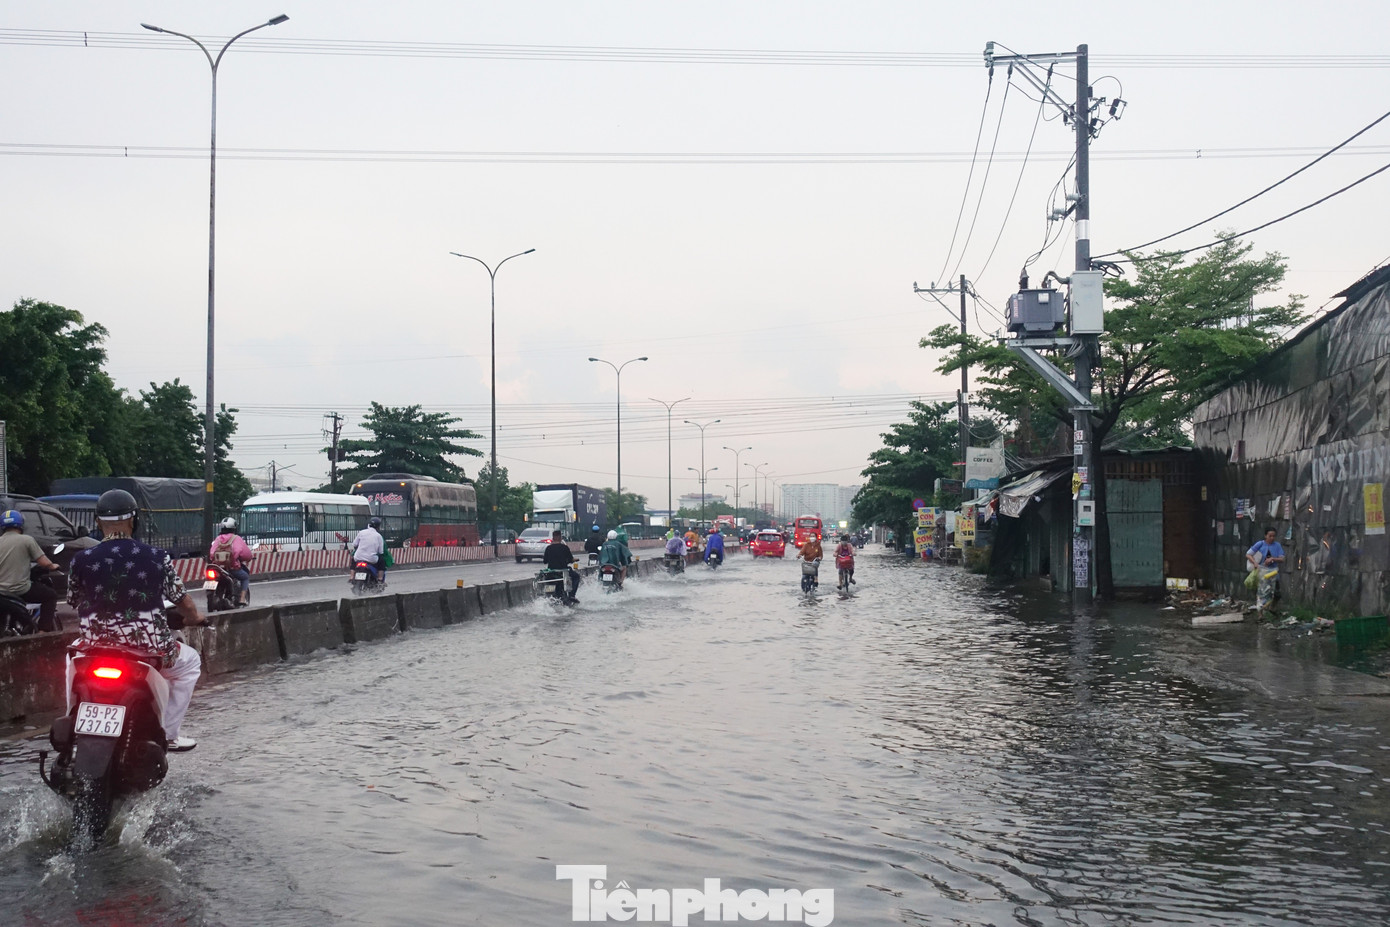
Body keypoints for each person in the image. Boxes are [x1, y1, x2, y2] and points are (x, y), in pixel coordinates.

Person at [67, 489, 207, 751]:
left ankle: (72, 723)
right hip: (149, 651)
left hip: (95, 649)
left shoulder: (81, 560)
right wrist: (195, 617)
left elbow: (74, 600)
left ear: (98, 523)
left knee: (72, 659)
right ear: (134, 521)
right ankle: (169, 734)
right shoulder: (156, 557)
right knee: (190, 664)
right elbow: (182, 600)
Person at [0, 510, 63, 632]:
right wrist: (53, 565)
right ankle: (43, 632)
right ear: (21, 525)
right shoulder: (26, 540)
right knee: (50, 596)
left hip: (1, 592)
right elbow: (44, 563)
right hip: (19, 589)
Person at [208, 516, 255, 607]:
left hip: (217, 568)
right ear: (234, 528)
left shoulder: (218, 538)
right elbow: (246, 554)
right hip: (232, 567)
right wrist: (248, 558)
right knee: (245, 577)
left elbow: (212, 553)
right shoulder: (236, 538)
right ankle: (242, 598)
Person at [1246, 527, 1286, 611]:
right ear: (1265, 536)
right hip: (1262, 571)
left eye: (1273, 536)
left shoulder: (1277, 545)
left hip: (1273, 571)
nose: (1272, 538)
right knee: (1262, 593)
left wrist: (1273, 559)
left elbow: (1282, 559)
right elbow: (1248, 554)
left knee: (1276, 593)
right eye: (1270, 536)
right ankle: (1261, 614)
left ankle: (1271, 608)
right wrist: (1255, 563)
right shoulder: (1260, 544)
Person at [542, 529, 581, 601]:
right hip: (563, 572)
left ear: (553, 538)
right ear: (560, 538)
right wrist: (573, 560)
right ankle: (572, 595)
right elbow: (570, 559)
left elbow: (545, 561)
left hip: (551, 573)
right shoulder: (565, 548)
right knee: (576, 577)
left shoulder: (548, 548)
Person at [350, 516, 388, 582]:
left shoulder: (361, 532)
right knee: (382, 561)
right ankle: (380, 579)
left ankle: (352, 576)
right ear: (378, 526)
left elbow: (354, 544)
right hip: (371, 559)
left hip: (358, 557)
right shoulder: (378, 536)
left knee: (353, 560)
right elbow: (381, 551)